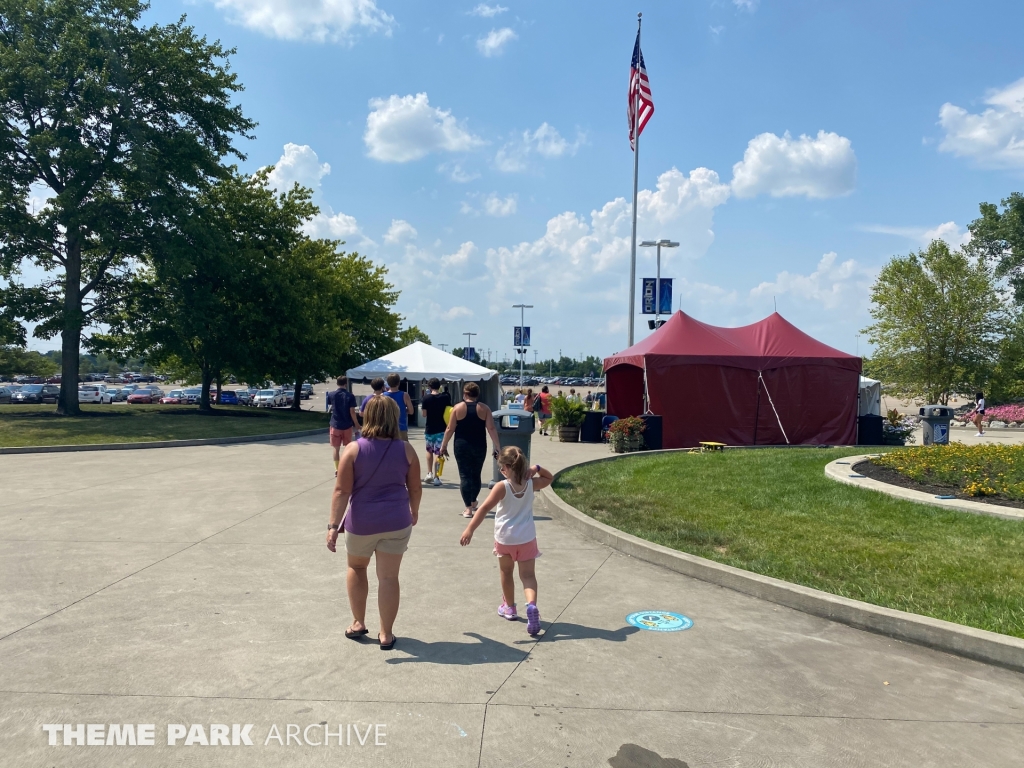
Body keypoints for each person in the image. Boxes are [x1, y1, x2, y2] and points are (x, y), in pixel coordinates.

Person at [327, 395, 421, 651]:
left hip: (362, 522)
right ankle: (386, 634)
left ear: (367, 416)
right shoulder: (407, 449)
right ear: (394, 418)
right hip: (397, 520)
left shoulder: (354, 449)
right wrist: (414, 512)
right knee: (389, 577)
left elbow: (341, 491)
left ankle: (358, 622)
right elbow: (415, 488)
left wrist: (333, 526)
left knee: (357, 568)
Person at [460, 446, 552, 637]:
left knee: (506, 572)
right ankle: (532, 605)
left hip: (505, 538)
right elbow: (549, 478)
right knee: (528, 575)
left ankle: (509, 607)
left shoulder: (502, 487)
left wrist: (470, 529)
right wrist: (536, 468)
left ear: (507, 468)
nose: (501, 471)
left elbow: (484, 508)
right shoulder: (531, 483)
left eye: (502, 468)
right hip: (526, 537)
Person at [440, 382, 502, 518]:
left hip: (461, 446)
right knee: (476, 475)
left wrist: (444, 445)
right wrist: (497, 446)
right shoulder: (485, 409)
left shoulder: (457, 408)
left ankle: (468, 508)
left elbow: (450, 429)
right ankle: (473, 501)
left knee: (465, 475)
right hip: (479, 445)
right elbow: (491, 428)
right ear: (477, 394)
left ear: (465, 394)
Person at [421, 378, 451, 487]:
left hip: (429, 429)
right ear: (439, 386)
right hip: (441, 429)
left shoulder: (426, 398)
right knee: (439, 453)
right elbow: (449, 411)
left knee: (429, 451)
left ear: (429, 387)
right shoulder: (445, 398)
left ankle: (429, 473)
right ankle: (437, 477)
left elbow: (424, 414)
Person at [328, 376, 360, 475]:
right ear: (345, 383)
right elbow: (352, 411)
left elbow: (331, 406)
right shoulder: (350, 396)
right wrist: (357, 424)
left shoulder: (331, 394)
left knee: (336, 448)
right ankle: (346, 467)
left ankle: (337, 469)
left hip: (335, 424)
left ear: (337, 383)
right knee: (347, 448)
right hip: (347, 425)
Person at [383, 373, 413, 442]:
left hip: (386, 428)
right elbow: (411, 411)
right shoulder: (405, 395)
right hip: (401, 427)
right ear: (399, 382)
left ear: (388, 383)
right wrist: (404, 410)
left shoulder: (383, 395)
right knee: (403, 450)